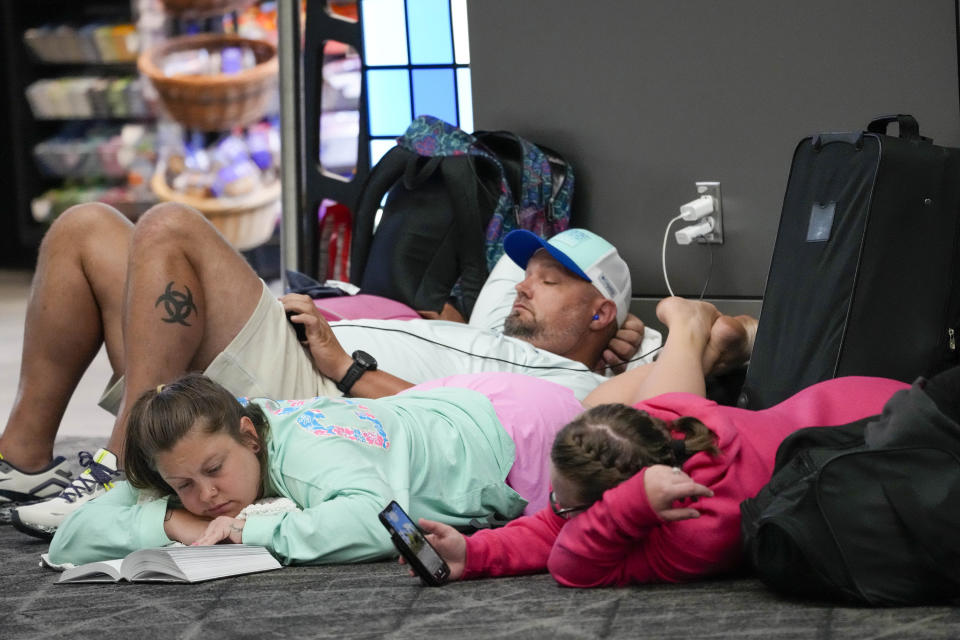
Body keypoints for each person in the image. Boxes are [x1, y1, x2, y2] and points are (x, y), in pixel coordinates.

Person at [1, 202, 656, 537]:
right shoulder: (473, 332)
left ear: (601, 315)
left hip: (316, 401)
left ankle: (123, 470)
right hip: (305, 348)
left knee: (171, 226)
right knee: (84, 227)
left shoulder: (571, 383)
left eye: (549, 282)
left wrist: (345, 371)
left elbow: (453, 419)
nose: (522, 287)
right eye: (524, 275)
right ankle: (18, 461)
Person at [45, 296, 750, 568]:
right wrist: (176, 525)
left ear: (248, 436)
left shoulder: (311, 458)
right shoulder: (238, 447)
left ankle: (689, 333)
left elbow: (371, 521)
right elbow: (76, 533)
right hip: (456, 408)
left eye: (214, 470)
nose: (207, 495)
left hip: (504, 444)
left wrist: (249, 530)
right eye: (182, 485)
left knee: (662, 437)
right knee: (595, 398)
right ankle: (693, 345)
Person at [399, 297, 911, 588]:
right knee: (637, 393)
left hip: (881, 442)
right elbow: (557, 523)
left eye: (568, 503)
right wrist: (475, 551)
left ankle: (690, 329)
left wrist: (630, 506)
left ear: (621, 500)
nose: (553, 509)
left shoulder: (697, 529)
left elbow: (571, 562)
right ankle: (693, 331)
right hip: (853, 403)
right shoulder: (660, 425)